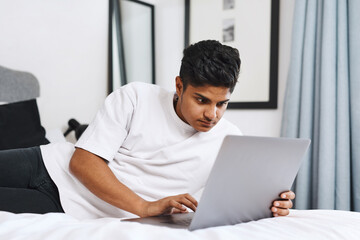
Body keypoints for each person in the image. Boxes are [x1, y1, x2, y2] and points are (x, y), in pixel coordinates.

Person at [0, 40, 294, 219]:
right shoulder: (136, 97)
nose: (212, 114)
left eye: (222, 103)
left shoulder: (231, 141)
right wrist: (145, 207)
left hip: (66, 206)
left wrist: (271, 206)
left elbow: (235, 203)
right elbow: (83, 162)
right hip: (45, 164)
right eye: (202, 100)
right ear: (179, 86)